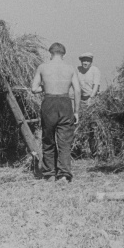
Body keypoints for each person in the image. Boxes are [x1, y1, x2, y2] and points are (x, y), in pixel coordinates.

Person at [31, 43, 81, 182]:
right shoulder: (70, 68)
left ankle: (50, 174)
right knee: (64, 142)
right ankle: (64, 174)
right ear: (64, 54)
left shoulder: (43, 67)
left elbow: (34, 88)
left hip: (49, 102)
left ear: (50, 53)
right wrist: (76, 111)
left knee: (48, 140)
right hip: (65, 103)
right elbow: (77, 90)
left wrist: (46, 87)